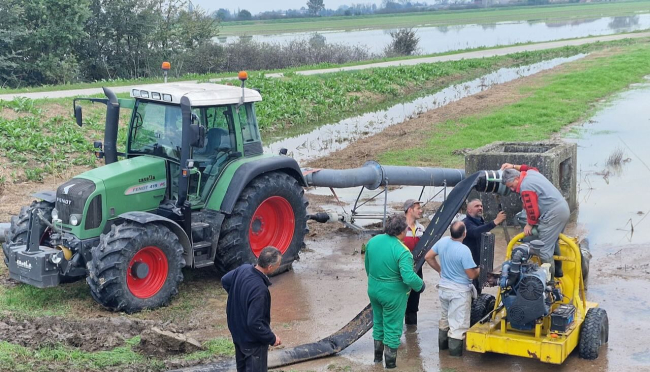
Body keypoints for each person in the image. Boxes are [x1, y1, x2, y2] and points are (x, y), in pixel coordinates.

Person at [365, 214, 425, 369]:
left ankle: (377, 361)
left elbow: (368, 266)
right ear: (403, 231)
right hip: (393, 294)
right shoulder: (403, 251)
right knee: (393, 329)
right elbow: (408, 277)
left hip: (373, 289)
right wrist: (421, 285)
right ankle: (390, 366)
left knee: (378, 323)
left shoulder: (373, 241)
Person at [501, 163, 570, 277]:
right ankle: (558, 272)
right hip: (562, 207)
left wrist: (529, 224)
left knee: (544, 250)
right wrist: (513, 166)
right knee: (553, 242)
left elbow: (533, 211)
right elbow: (530, 167)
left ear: (517, 178)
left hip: (553, 214)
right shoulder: (530, 173)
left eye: (511, 186)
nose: (512, 189)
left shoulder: (525, 187)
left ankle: (549, 283)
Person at [222, 247, 283, 372]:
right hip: (253, 343)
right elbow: (255, 323)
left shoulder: (243, 269)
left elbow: (225, 280)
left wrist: (238, 297)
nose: (279, 265)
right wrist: (272, 338)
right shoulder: (260, 290)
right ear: (270, 267)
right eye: (278, 264)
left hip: (238, 334)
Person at [425, 221, 479, 357]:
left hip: (443, 288)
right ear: (464, 234)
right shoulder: (464, 250)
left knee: (444, 321)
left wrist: (440, 270)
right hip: (459, 292)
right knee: (458, 327)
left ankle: (442, 354)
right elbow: (471, 274)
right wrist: (480, 269)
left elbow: (428, 257)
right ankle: (453, 361)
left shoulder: (443, 242)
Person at [462, 198, 506, 294]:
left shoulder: (480, 222)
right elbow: (475, 232)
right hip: (468, 267)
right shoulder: (465, 223)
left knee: (477, 291)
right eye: (476, 206)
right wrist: (495, 221)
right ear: (469, 210)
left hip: (479, 265)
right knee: (469, 293)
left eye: (481, 206)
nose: (480, 208)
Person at [402, 199, 426, 326]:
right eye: (418, 208)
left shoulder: (421, 229)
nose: (421, 210)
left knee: (413, 303)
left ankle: (411, 334)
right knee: (399, 302)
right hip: (400, 269)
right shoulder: (399, 228)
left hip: (417, 269)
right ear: (410, 210)